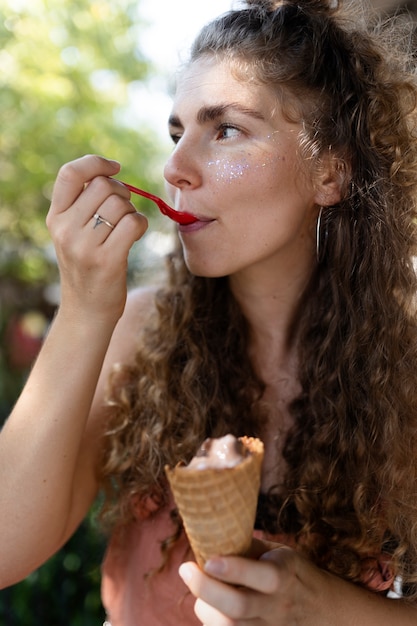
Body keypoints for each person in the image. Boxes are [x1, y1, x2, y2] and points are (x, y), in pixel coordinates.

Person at [2, 0, 417, 623]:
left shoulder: (404, 372)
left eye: (224, 130)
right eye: (177, 133)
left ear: (329, 173)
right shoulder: (137, 330)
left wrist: (326, 605)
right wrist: (87, 310)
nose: (174, 169)